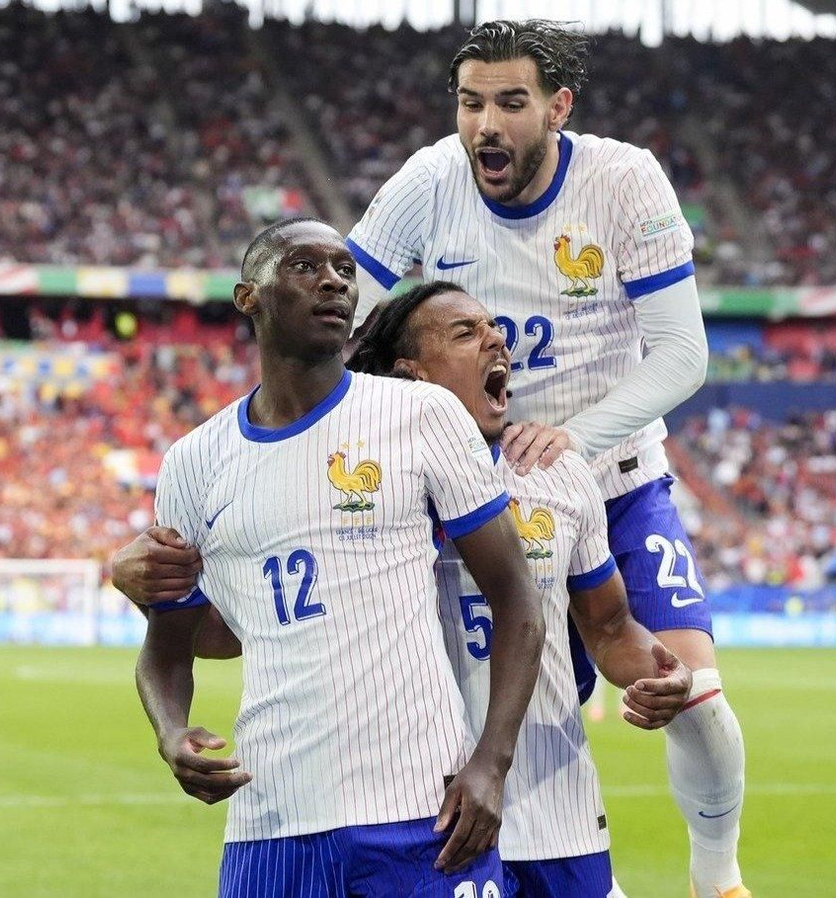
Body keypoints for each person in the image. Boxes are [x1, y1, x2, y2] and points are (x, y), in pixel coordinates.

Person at [341, 22, 751, 896]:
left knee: (694, 693)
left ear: (559, 107)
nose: (486, 123)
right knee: (456, 718)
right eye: (470, 101)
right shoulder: (427, 182)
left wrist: (575, 440)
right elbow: (341, 322)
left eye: (511, 102)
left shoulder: (624, 180)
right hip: (479, 501)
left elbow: (683, 355)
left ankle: (717, 876)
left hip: (615, 481)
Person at [139, 280, 697, 896]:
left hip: (550, 811)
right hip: (415, 808)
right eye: (465, 333)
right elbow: (239, 627)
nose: (496, 339)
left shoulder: (556, 474)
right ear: (413, 375)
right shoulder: (352, 481)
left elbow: (611, 627)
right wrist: (142, 582)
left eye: (493, 328)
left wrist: (657, 672)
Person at [133, 219, 546, 895]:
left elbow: (517, 600)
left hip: (423, 812)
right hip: (271, 819)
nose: (333, 280)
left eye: (344, 269)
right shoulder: (192, 462)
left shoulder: (420, 415)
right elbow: (166, 645)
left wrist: (491, 763)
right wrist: (171, 730)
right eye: (304, 266)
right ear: (249, 298)